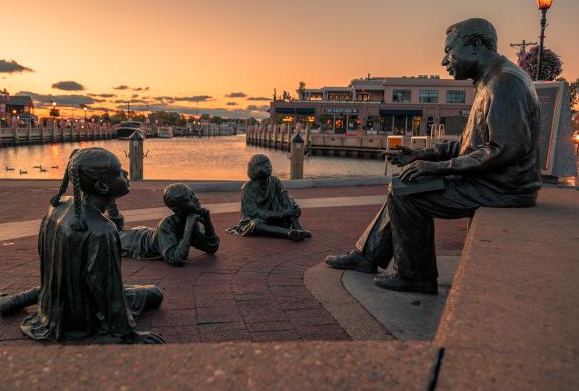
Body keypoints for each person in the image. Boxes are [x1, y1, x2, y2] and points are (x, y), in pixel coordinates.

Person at [325, 18, 541, 294]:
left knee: (405, 191)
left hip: (502, 188)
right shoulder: (490, 80)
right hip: (495, 180)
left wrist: (438, 169)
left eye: (449, 51)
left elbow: (504, 149)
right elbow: (469, 144)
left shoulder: (504, 83)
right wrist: (422, 155)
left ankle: (416, 276)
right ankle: (367, 256)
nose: (444, 61)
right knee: (406, 183)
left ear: (476, 46)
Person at [0, 147, 165, 344]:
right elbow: (106, 289)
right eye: (119, 172)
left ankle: (14, 301)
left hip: (54, 305)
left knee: (82, 283)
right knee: (153, 293)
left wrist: (111, 204)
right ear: (102, 186)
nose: (125, 174)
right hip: (79, 318)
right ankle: (16, 301)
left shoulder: (59, 206)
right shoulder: (102, 230)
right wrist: (129, 334)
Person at [120, 183, 219, 265]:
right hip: (137, 241)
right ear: (177, 209)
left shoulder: (189, 219)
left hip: (149, 233)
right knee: (114, 238)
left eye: (193, 194)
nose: (196, 199)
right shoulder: (167, 224)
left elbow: (211, 248)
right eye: (189, 198)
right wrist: (188, 227)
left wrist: (207, 223)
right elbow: (176, 259)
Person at [227, 154, 311, 241]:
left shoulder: (275, 181)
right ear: (254, 168)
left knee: (290, 202)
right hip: (254, 220)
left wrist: (293, 209)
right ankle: (289, 233)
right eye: (263, 164)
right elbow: (254, 213)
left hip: (273, 218)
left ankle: (297, 228)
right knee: (256, 224)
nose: (268, 166)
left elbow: (285, 199)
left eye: (268, 163)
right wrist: (282, 213)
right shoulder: (247, 188)